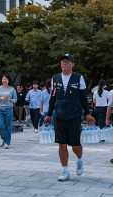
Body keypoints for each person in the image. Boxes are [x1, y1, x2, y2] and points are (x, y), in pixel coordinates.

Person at [44, 54, 95, 182]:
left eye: (67, 62)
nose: (64, 64)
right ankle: (65, 170)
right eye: (62, 62)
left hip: (74, 115)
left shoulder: (78, 78)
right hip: (59, 115)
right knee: (62, 144)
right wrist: (49, 114)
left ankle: (79, 159)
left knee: (75, 145)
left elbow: (83, 98)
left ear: (72, 64)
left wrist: (88, 114)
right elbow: (53, 98)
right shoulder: (55, 78)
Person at [0, 74, 17, 149]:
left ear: (8, 80)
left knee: (8, 126)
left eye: (6, 79)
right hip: (0, 109)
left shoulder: (12, 89)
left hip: (9, 109)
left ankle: (7, 142)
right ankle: (4, 139)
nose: (4, 80)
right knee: (0, 126)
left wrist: (9, 100)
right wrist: (0, 98)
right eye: (3, 79)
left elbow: (15, 100)